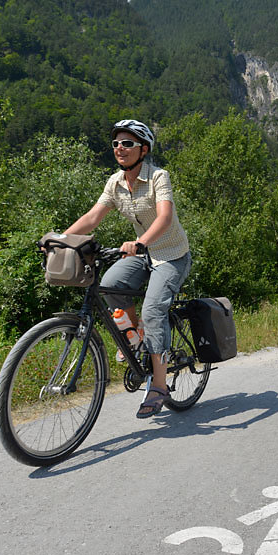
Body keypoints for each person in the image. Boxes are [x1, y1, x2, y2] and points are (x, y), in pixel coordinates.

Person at [64, 119, 191, 419]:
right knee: (110, 285)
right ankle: (138, 339)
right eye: (116, 144)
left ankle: (158, 386)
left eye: (128, 144)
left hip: (171, 255)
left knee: (153, 310)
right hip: (143, 252)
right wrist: (61, 240)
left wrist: (141, 242)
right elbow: (93, 217)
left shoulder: (159, 176)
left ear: (143, 149)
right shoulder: (115, 182)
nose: (120, 148)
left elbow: (165, 218)